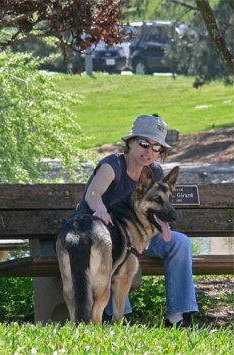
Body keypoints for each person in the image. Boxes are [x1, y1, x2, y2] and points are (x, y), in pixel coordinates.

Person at [74, 114, 198, 327]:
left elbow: (154, 209)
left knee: (180, 243)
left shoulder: (155, 172)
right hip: (97, 236)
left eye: (156, 147)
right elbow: (93, 194)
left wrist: (159, 229)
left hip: (138, 237)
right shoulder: (112, 165)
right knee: (117, 246)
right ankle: (120, 317)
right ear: (130, 142)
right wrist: (102, 210)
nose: (149, 151)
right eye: (143, 143)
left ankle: (178, 317)